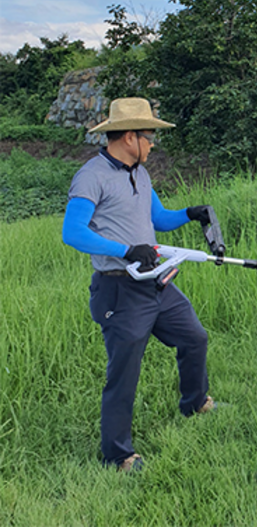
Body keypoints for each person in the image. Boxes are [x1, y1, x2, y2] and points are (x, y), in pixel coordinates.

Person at [62, 97, 216, 473]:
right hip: (119, 289)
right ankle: (118, 455)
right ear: (130, 137)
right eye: (150, 138)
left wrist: (190, 214)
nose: (152, 145)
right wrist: (127, 250)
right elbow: (73, 233)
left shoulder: (140, 173)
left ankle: (195, 403)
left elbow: (158, 219)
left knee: (194, 337)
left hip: (156, 283)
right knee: (124, 371)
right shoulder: (91, 176)